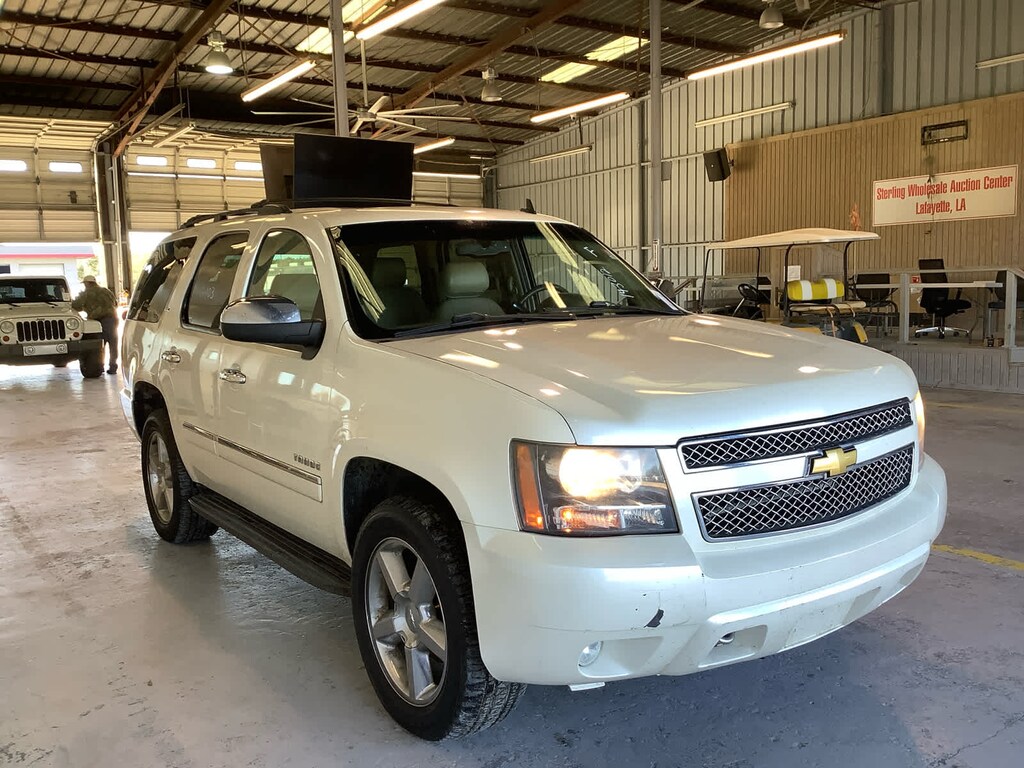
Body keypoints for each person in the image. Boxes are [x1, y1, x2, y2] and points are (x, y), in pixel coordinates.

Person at [72, 275, 119, 375]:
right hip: (112, 318)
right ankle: (113, 367)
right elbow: (115, 303)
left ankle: (99, 367)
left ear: (87, 283)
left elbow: (76, 306)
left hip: (99, 321)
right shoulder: (106, 291)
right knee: (113, 344)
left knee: (99, 345)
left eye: (85, 284)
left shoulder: (87, 293)